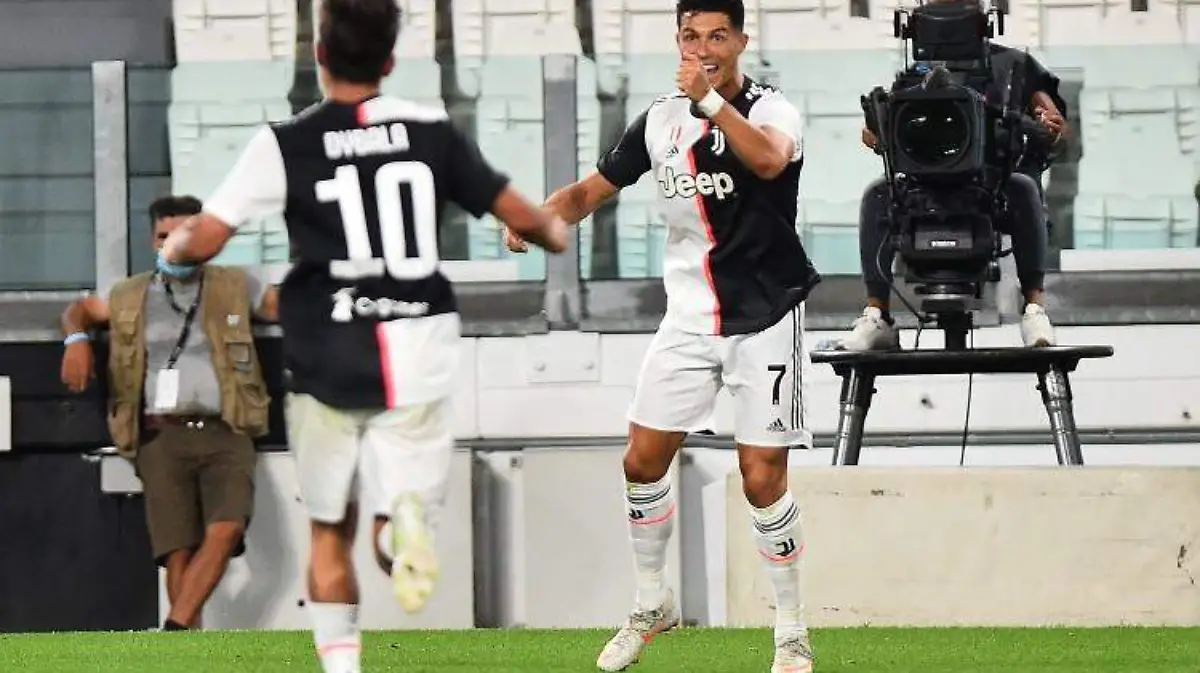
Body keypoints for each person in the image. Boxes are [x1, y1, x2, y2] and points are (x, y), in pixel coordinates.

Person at [156, 1, 569, 671]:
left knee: (329, 529)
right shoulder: (431, 131)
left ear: (320, 55)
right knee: (397, 515)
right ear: (390, 60)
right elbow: (530, 218)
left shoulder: (286, 142)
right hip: (419, 343)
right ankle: (401, 530)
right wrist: (549, 230)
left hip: (328, 348)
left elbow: (202, 239)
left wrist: (175, 252)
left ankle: (344, 664)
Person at [506, 1, 820, 670]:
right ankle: (653, 602)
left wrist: (711, 102)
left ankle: (791, 631)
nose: (703, 47)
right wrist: (539, 216)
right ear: (677, 41)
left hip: (765, 317)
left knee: (761, 479)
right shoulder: (658, 121)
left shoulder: (773, 110)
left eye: (717, 36)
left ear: (741, 41)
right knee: (641, 461)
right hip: (688, 319)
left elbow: (769, 161)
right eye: (690, 36)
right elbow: (591, 191)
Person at [60, 194, 278, 631]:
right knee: (177, 550)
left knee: (227, 527)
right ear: (152, 240)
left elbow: (287, 306)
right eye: (164, 235)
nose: (173, 244)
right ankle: (186, 646)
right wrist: (76, 340)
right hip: (160, 434)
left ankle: (173, 631)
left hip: (226, 426)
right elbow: (80, 310)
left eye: (184, 234)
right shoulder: (130, 294)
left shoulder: (236, 284)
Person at [840, 0, 1068, 352]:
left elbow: (1053, 124)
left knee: (1023, 188)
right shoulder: (912, 77)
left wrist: (1047, 125)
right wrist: (877, 131)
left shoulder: (1014, 68)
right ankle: (877, 314)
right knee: (877, 195)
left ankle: (1034, 309)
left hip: (990, 188)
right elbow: (886, 130)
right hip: (923, 186)